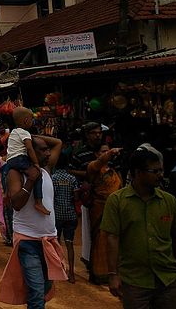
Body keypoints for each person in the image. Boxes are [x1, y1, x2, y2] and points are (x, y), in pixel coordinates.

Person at [102, 147, 176, 308]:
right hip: (134, 281)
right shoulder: (117, 201)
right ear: (137, 172)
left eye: (161, 170)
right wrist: (113, 274)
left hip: (168, 280)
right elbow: (112, 238)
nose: (160, 175)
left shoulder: (169, 200)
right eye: (154, 171)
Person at [0, 135, 68, 309]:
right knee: (36, 292)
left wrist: (28, 136)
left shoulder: (47, 169)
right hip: (28, 242)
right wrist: (31, 180)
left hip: (49, 241)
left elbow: (58, 142)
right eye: (42, 150)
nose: (48, 153)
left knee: (44, 288)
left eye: (47, 149)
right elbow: (17, 204)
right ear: (30, 153)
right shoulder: (15, 173)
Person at [86, 143, 123, 284]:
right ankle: (99, 274)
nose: (108, 153)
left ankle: (112, 272)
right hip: (99, 208)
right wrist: (112, 153)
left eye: (108, 150)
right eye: (103, 151)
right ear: (96, 154)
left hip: (115, 209)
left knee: (113, 238)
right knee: (100, 239)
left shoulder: (113, 169)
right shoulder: (93, 167)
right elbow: (101, 161)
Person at [70, 121, 103, 269]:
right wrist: (90, 172)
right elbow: (71, 171)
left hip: (107, 196)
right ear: (87, 135)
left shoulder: (106, 151)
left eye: (99, 132)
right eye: (94, 133)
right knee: (91, 231)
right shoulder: (80, 153)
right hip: (90, 198)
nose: (97, 135)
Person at [4, 107, 49, 215]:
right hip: (20, 159)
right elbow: (29, 148)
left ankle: (7, 194)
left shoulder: (13, 132)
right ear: (26, 121)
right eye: (31, 119)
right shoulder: (25, 133)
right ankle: (38, 202)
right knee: (37, 174)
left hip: (10, 161)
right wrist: (36, 163)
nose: (32, 122)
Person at [51, 153, 78, 283]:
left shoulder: (53, 178)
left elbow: (50, 197)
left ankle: (59, 270)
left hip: (57, 215)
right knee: (70, 244)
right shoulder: (72, 178)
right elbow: (76, 197)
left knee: (56, 243)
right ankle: (72, 273)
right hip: (70, 214)